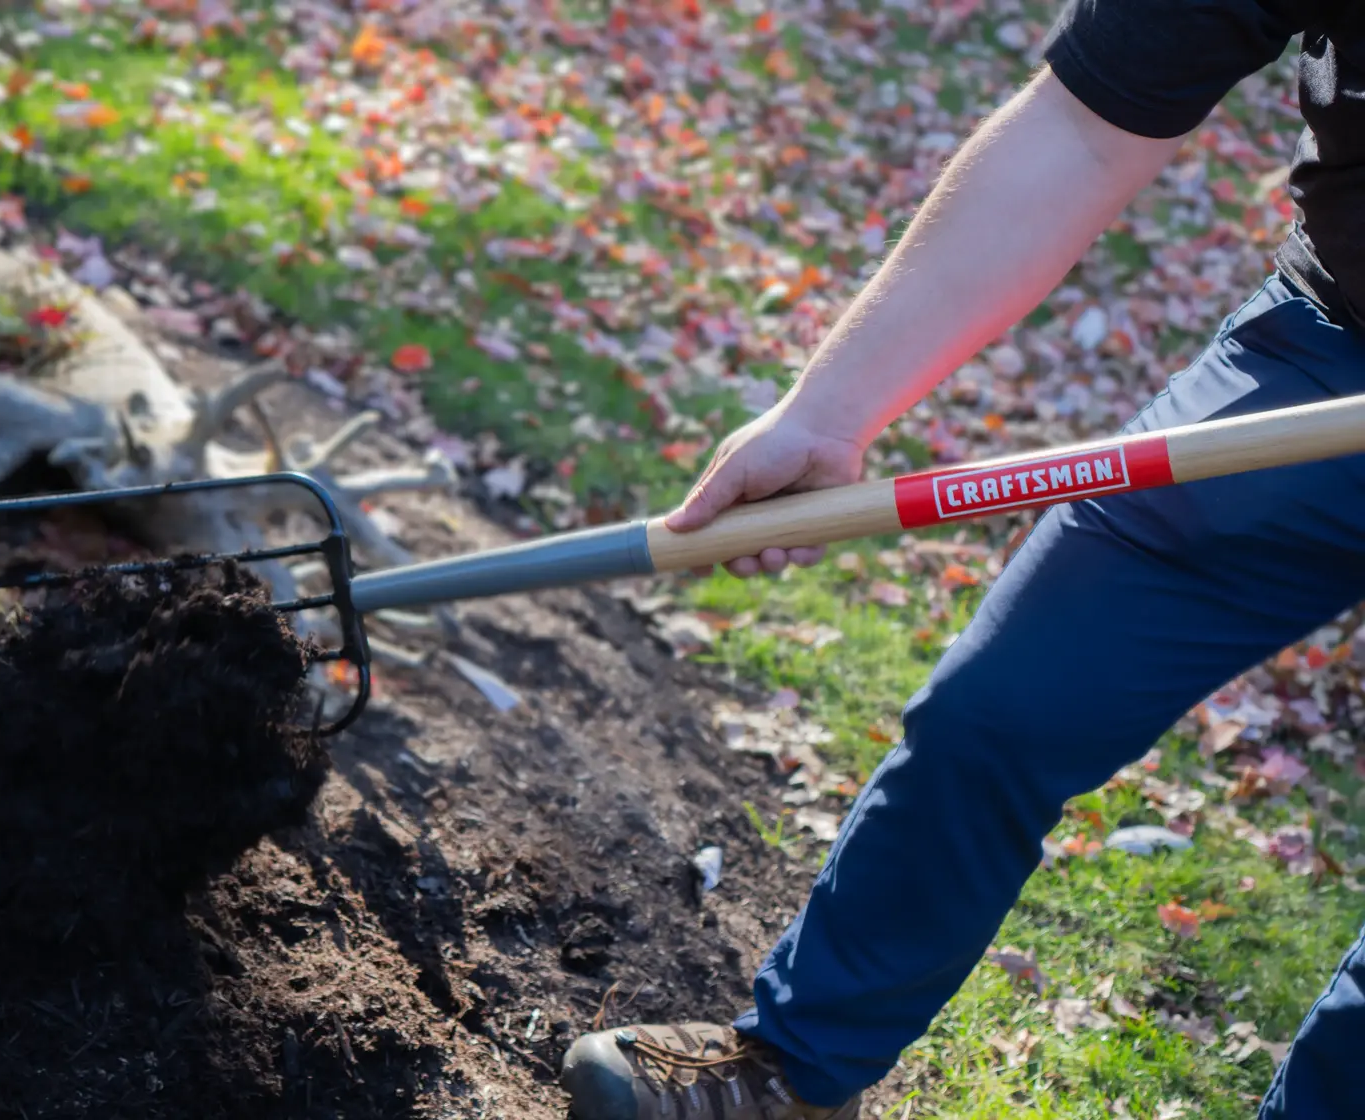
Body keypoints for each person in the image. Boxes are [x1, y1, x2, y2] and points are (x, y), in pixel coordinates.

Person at [557, 1, 1365, 1118]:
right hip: (1328, 355)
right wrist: (828, 409)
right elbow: (1085, 128)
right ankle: (797, 1071)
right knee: (1005, 704)